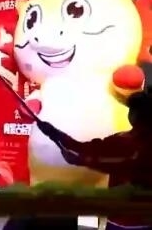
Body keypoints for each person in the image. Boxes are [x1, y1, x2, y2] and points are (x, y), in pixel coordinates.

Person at [37, 88, 152, 230]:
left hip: (124, 220)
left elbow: (120, 164)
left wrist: (79, 159)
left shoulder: (125, 141)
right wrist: (54, 133)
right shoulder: (122, 139)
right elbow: (84, 149)